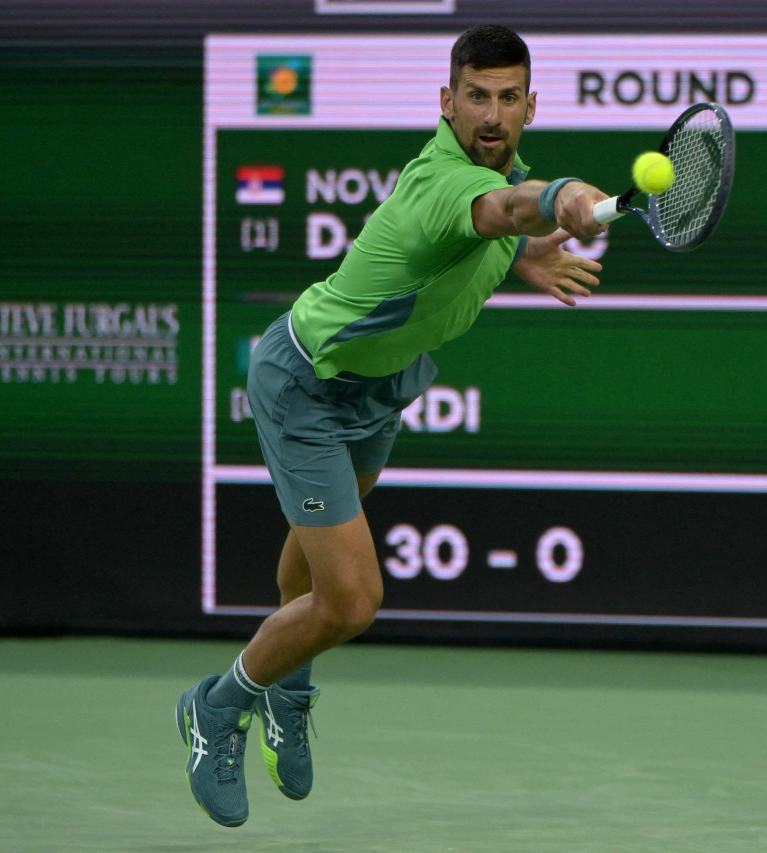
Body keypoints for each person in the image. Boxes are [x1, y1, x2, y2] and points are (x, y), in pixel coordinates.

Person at [176, 24, 610, 827]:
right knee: (352, 601)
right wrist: (561, 198)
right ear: (446, 103)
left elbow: (490, 227)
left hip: (382, 387)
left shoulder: (492, 176)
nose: (491, 114)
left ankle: (290, 689)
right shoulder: (448, 182)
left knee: (314, 568)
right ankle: (218, 703)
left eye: (507, 98)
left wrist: (527, 257)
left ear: (529, 106)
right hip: (308, 382)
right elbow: (504, 205)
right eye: (475, 97)